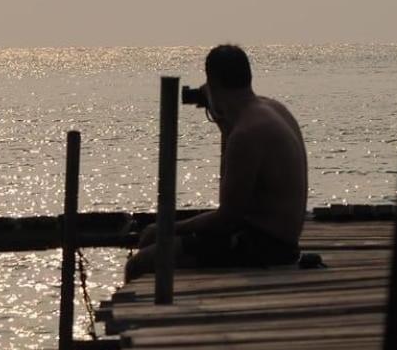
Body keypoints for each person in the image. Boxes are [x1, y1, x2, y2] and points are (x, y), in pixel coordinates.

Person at [126, 45, 308, 280]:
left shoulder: (245, 134)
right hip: (281, 240)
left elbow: (226, 217)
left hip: (263, 248)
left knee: (140, 263)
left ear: (213, 82)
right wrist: (222, 117)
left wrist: (166, 229)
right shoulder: (273, 109)